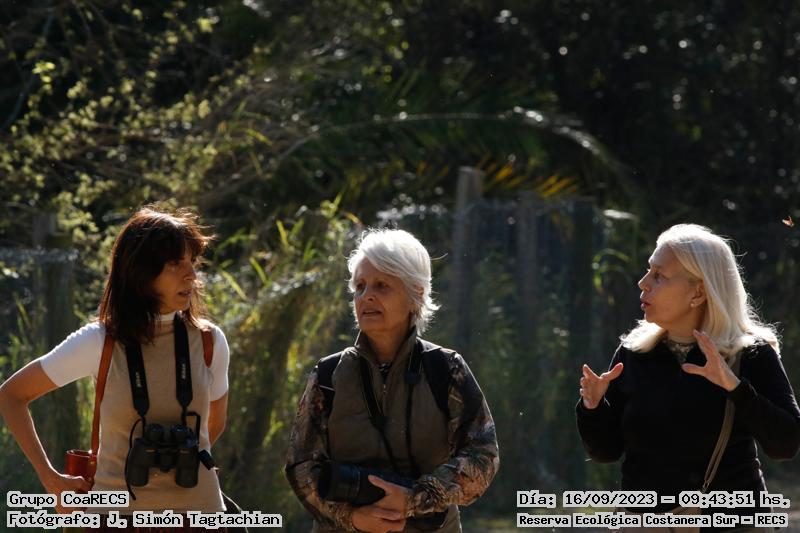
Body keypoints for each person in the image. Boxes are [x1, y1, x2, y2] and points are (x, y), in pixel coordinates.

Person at [0, 206, 230, 531]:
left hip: (200, 519)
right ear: (141, 272)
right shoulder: (99, 341)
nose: (191, 274)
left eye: (193, 260)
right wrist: (51, 479)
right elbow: (11, 396)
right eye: (175, 263)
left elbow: (214, 425)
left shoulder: (210, 341)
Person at [576, 223, 800, 532]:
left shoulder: (750, 353)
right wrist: (593, 408)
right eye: (648, 270)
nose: (643, 283)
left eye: (659, 276)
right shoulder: (633, 353)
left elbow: (786, 445)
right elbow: (606, 452)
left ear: (698, 292)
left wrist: (734, 386)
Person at [285, 228, 499, 533]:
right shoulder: (328, 375)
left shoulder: (446, 369)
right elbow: (301, 467)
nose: (366, 296)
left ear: (416, 294)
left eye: (382, 285)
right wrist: (352, 518)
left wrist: (415, 498)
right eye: (360, 286)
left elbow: (483, 456)